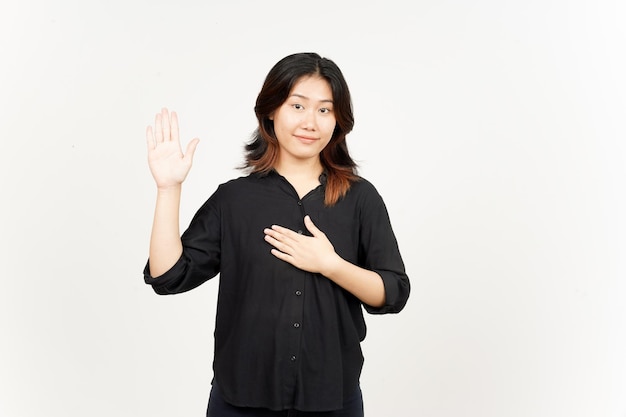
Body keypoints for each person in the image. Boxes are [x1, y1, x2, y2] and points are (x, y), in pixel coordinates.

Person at [143, 52, 410, 417]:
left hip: (332, 399)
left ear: (338, 121)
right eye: (297, 105)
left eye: (324, 110)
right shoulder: (234, 199)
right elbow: (168, 276)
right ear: (271, 111)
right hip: (240, 399)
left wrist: (331, 265)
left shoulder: (360, 198)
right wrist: (168, 189)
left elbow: (393, 293)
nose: (310, 122)